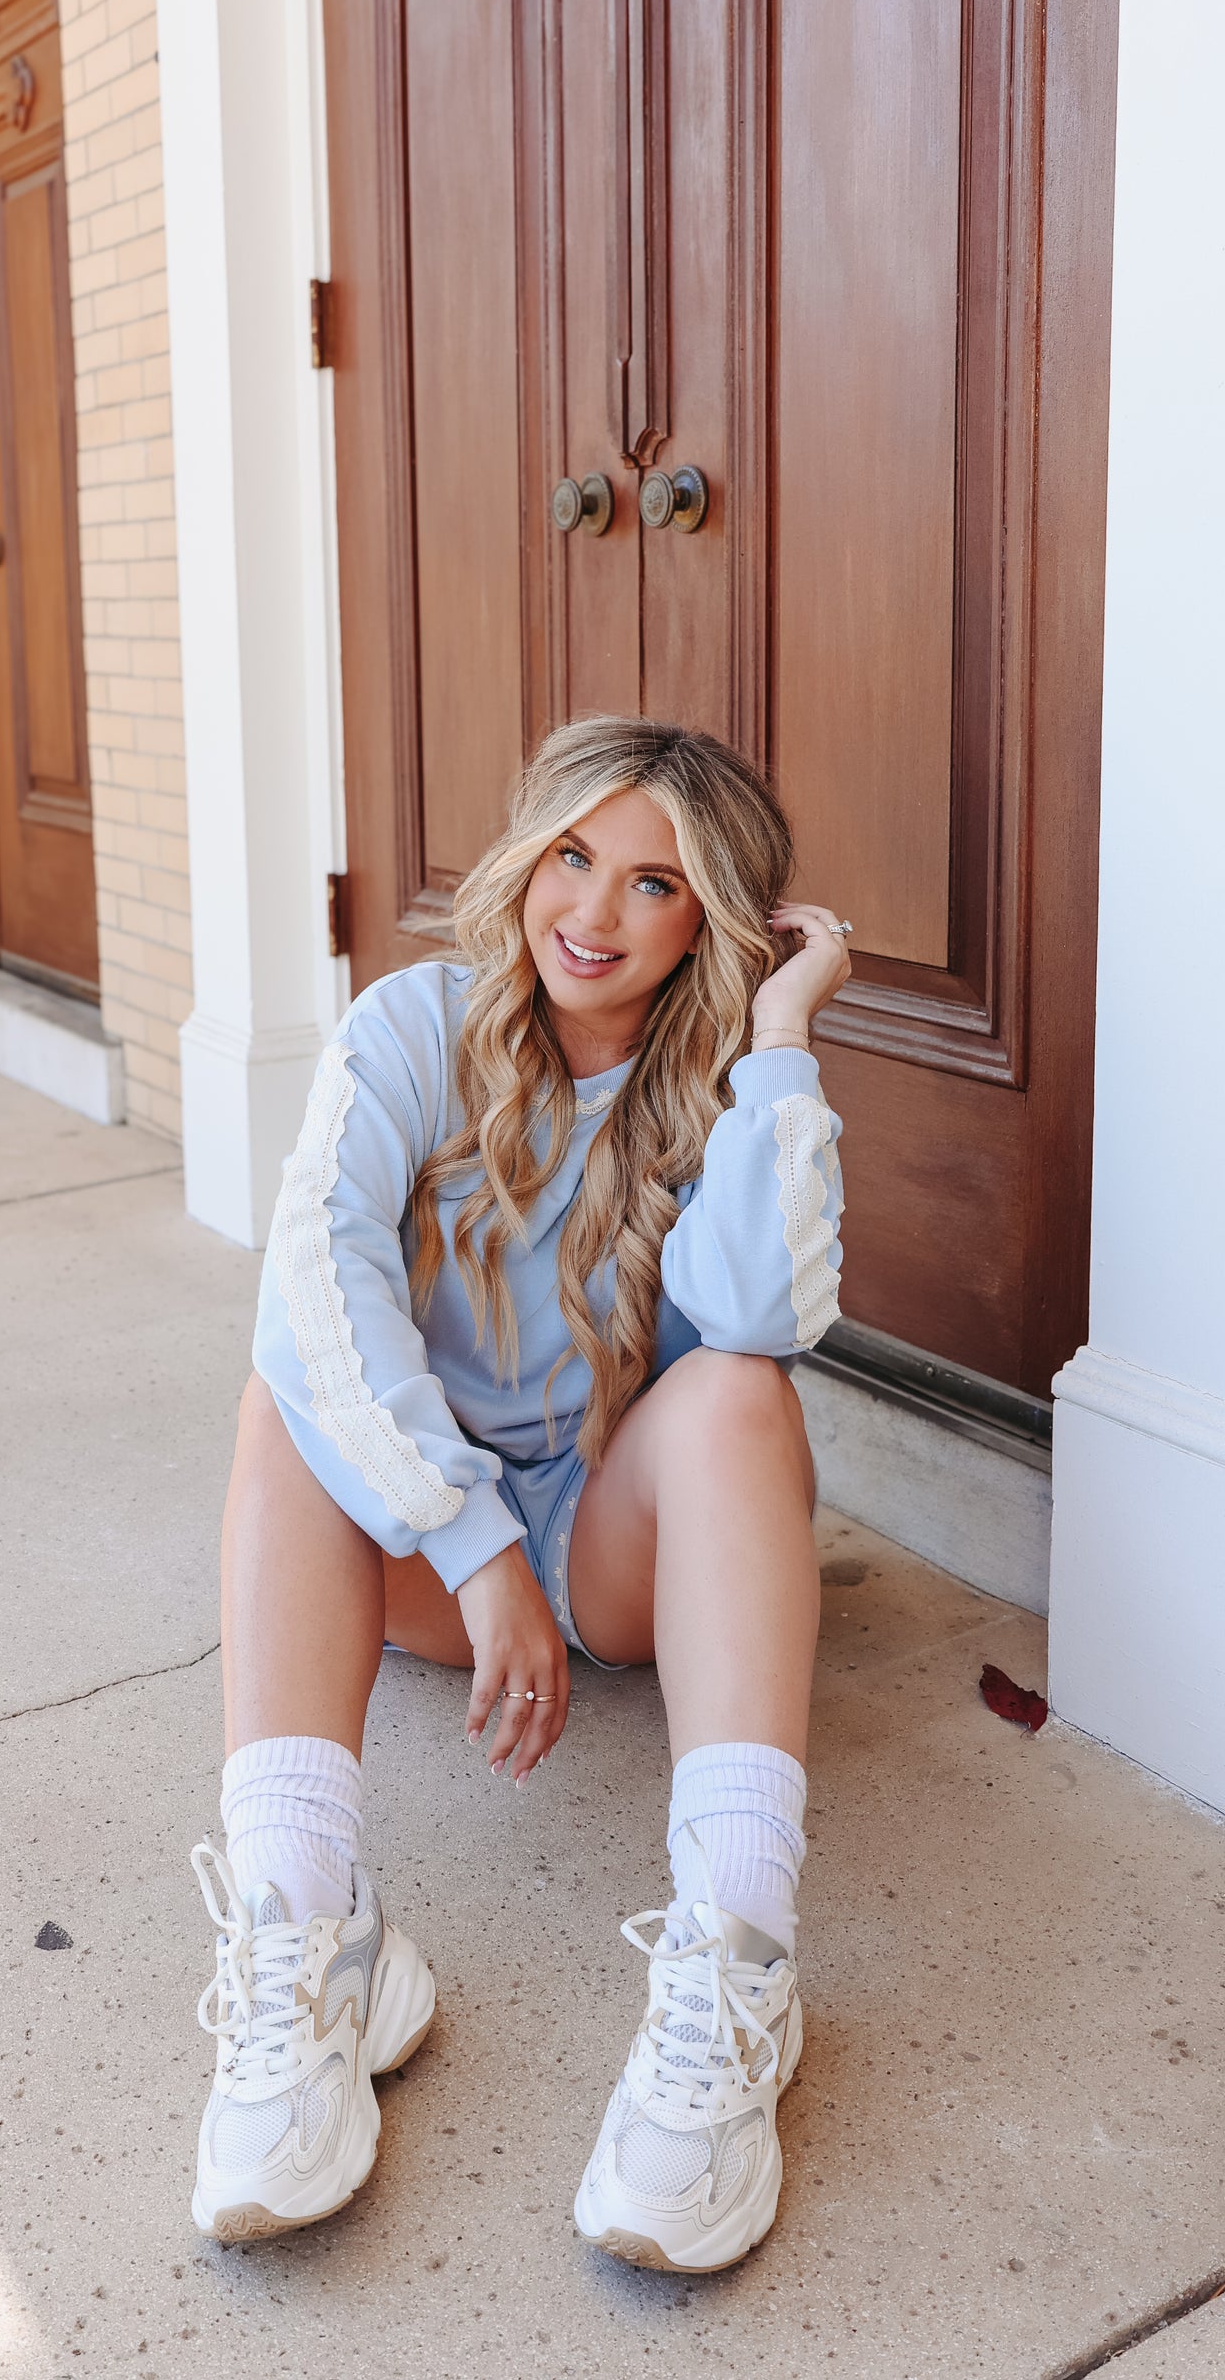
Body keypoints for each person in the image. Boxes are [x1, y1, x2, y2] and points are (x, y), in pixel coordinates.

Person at [189, 716, 850, 2270]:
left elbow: (761, 1313)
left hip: (613, 1559)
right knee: (283, 1395)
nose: (594, 915)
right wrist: (473, 1547)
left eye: (653, 886)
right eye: (573, 857)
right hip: (437, 1561)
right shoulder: (411, 1026)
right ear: (524, 855)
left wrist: (780, 1037)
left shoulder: (720, 1086)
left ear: (711, 924)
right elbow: (318, 1299)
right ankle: (314, 1935)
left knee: (739, 1393)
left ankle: (739, 1961)